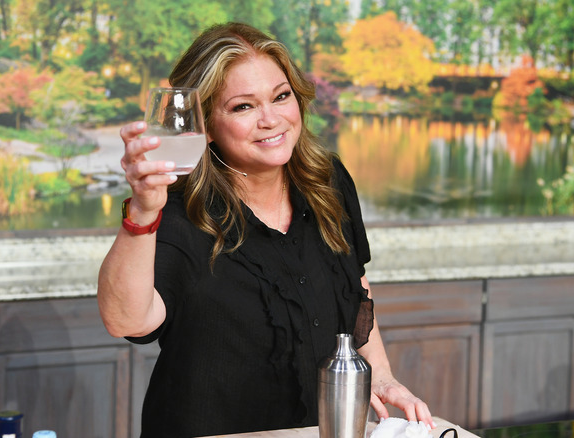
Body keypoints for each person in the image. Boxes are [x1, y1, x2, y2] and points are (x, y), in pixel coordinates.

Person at [97, 22, 434, 437]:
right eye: (243, 107)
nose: (271, 119)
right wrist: (143, 214)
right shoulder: (180, 208)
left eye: (281, 96)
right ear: (205, 125)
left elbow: (354, 285)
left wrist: (380, 374)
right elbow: (128, 321)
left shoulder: (327, 181)